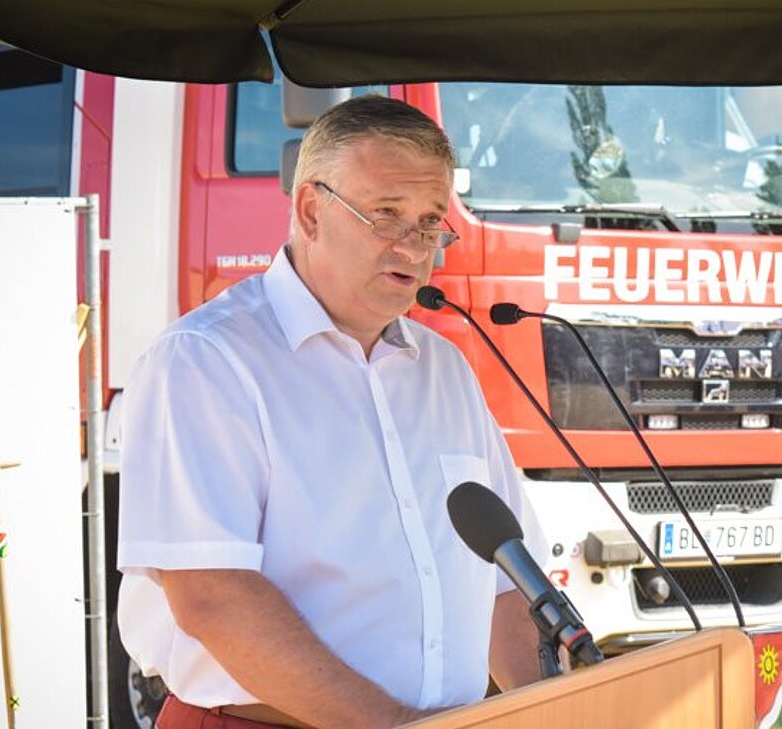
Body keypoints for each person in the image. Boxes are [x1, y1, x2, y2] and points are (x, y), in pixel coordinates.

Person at [116, 95, 548, 729]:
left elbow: (509, 586)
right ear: (311, 211)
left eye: (431, 222)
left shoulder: (447, 370)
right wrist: (391, 724)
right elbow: (212, 597)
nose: (414, 247)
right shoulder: (206, 360)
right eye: (387, 215)